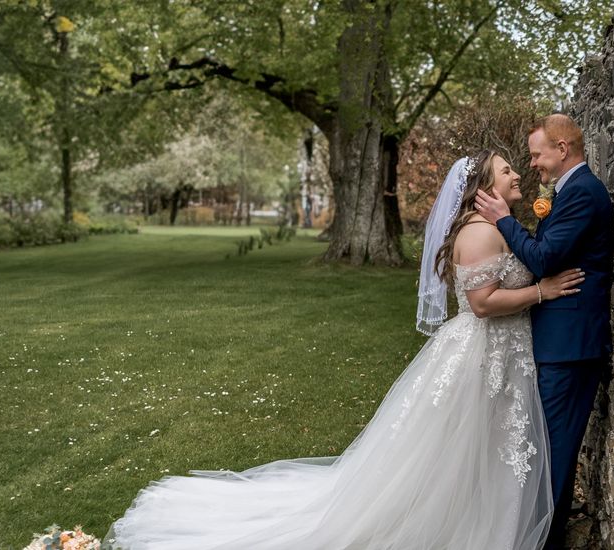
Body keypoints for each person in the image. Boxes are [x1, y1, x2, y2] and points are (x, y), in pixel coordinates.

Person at [104, 150, 585, 550]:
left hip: (501, 353)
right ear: (483, 186)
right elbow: (482, 304)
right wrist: (542, 291)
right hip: (484, 354)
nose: (517, 173)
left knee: (485, 447)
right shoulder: (481, 231)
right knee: (468, 448)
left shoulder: (494, 226)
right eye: (505, 170)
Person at [475, 114, 614, 550]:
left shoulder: (583, 193)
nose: (532, 163)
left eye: (537, 154)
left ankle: (543, 542)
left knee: (553, 453)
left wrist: (504, 219)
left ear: (562, 149)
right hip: (557, 342)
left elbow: (545, 257)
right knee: (548, 449)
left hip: (570, 346)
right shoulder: (568, 191)